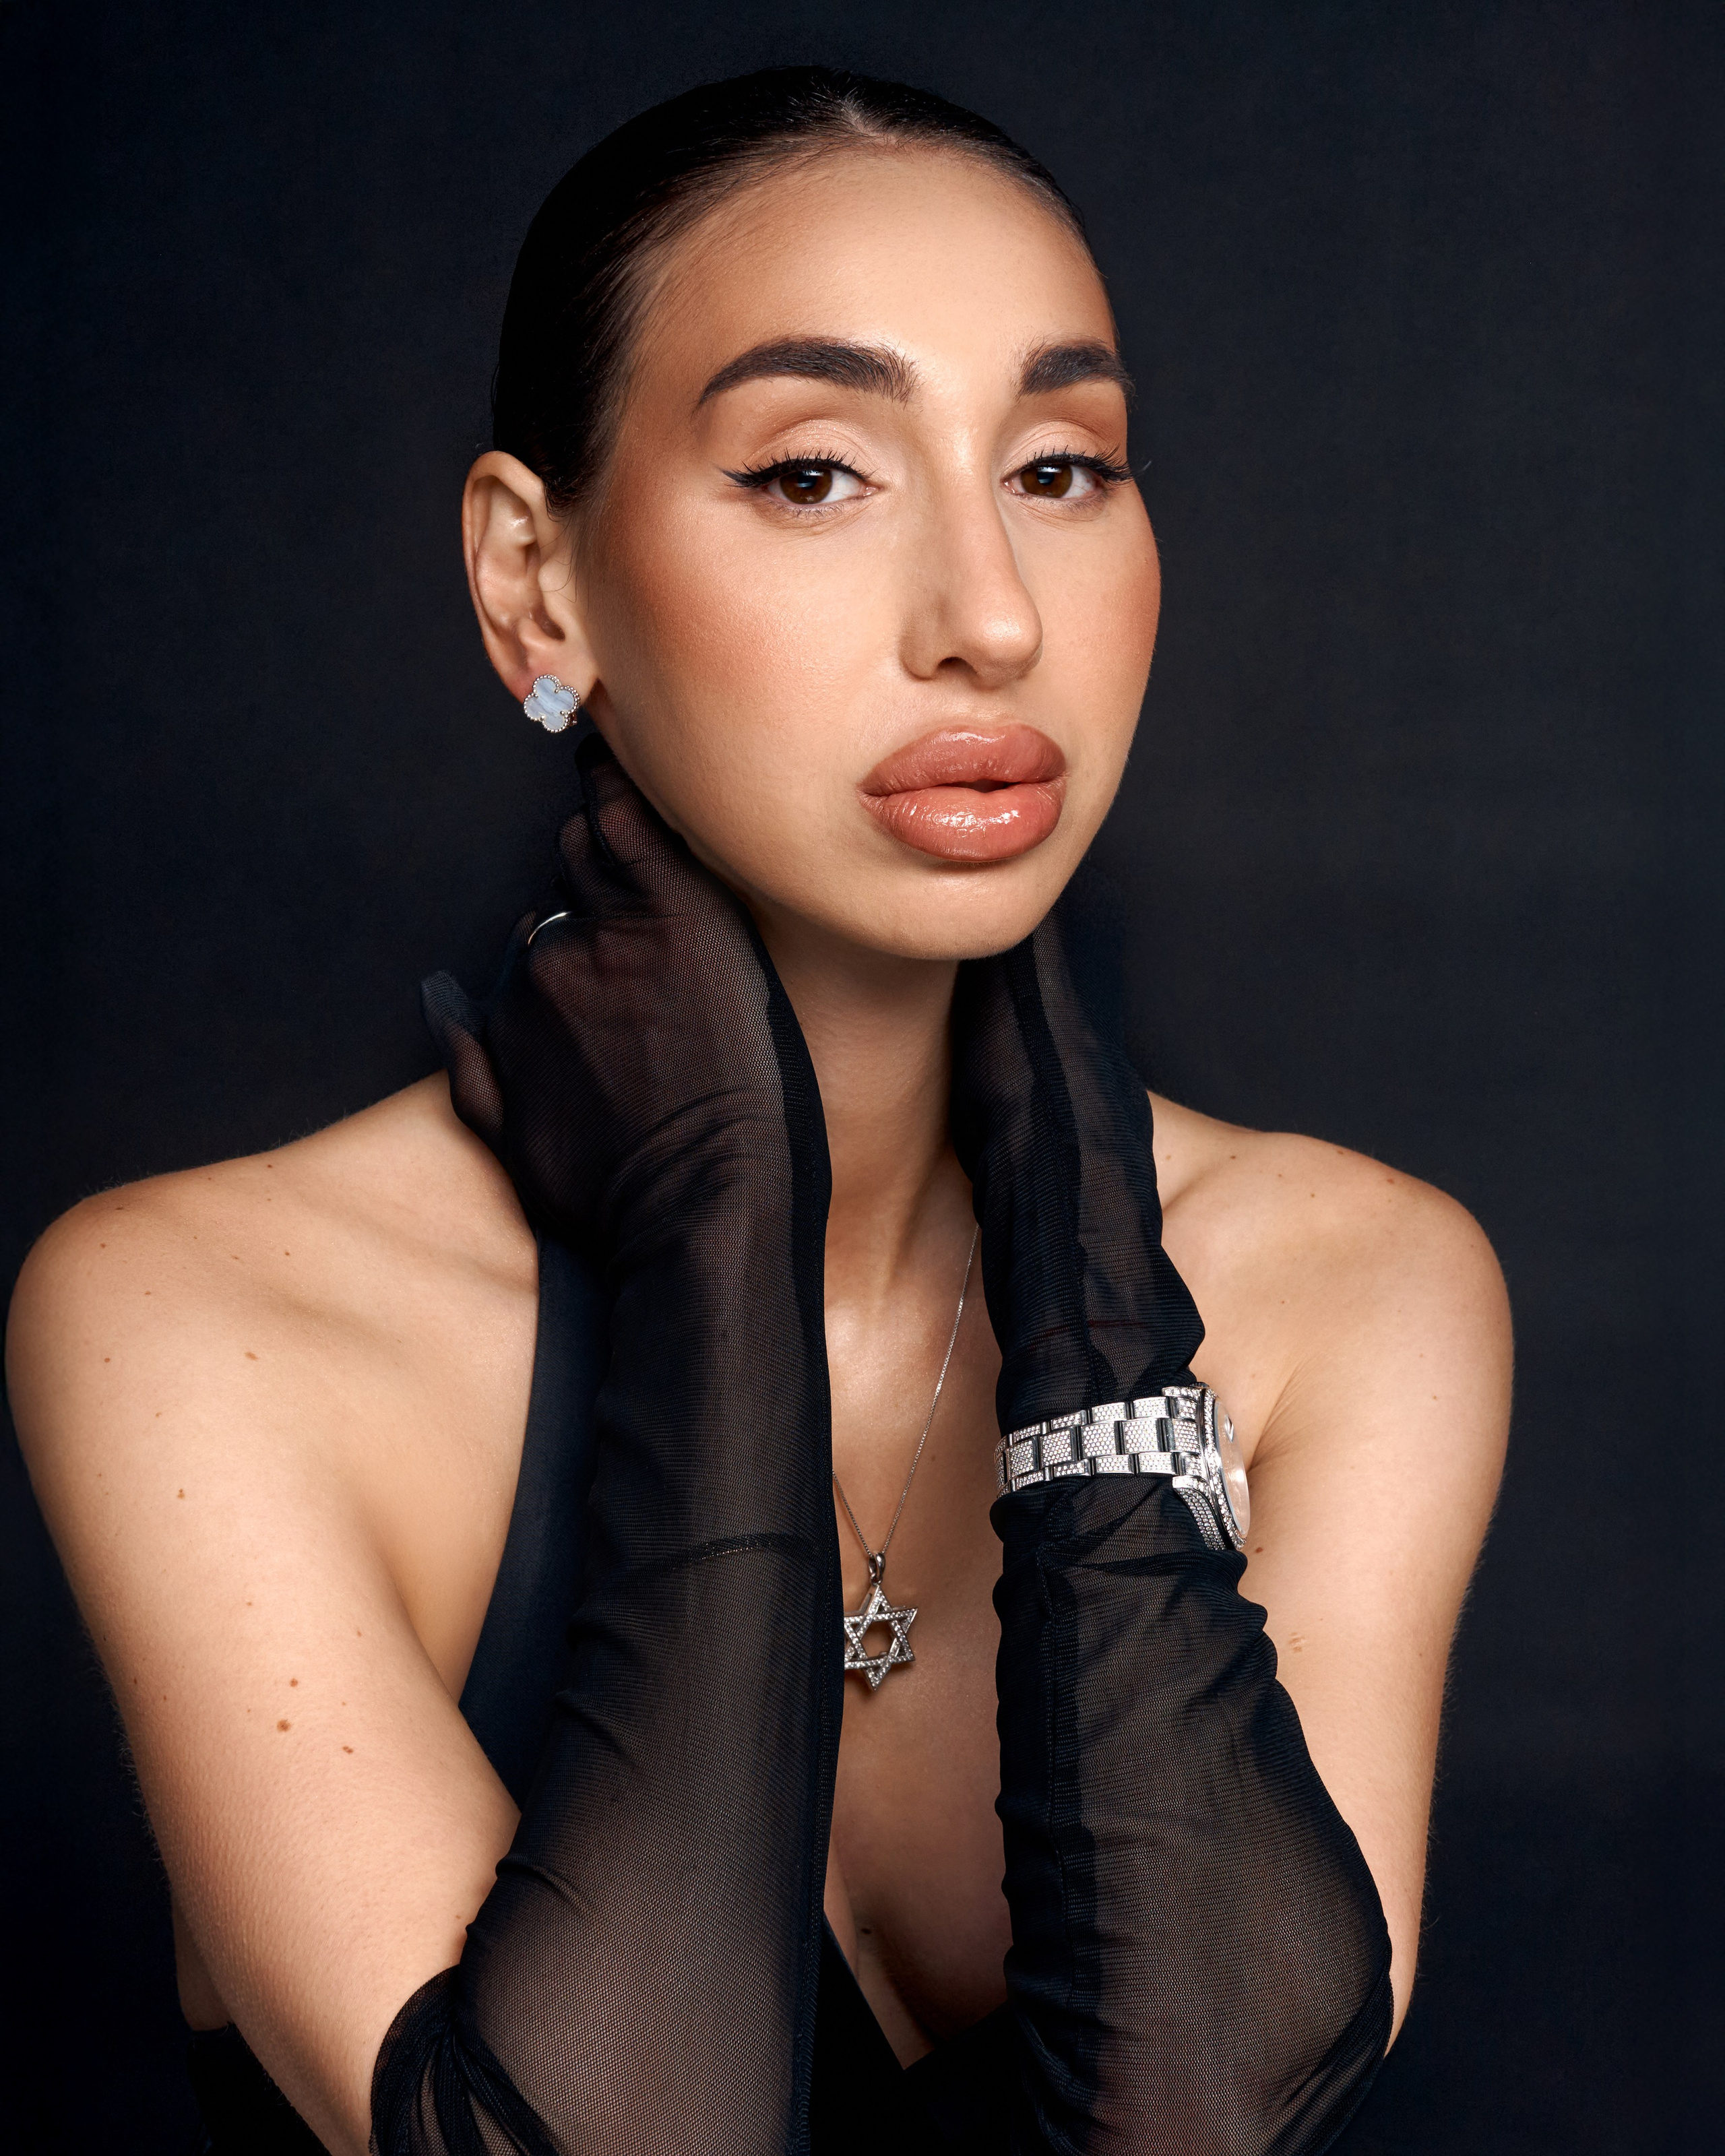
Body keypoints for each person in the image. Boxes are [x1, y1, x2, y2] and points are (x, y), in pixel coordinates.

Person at [5, 67, 1509, 2156]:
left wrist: (1082, 1238)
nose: (993, 614)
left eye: (1064, 467)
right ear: (539, 585)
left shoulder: (1357, 1288)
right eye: (816, 473)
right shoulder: (204, 1322)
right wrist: (719, 1212)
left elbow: (1201, 2109)